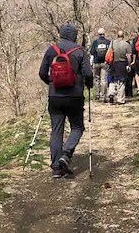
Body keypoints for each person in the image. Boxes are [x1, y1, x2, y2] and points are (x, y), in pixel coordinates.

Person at [39, 23, 93, 179]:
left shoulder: (52, 50)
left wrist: (51, 83)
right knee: (77, 127)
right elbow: (88, 74)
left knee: (56, 130)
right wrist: (88, 85)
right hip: (75, 96)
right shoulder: (80, 52)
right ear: (74, 36)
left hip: (55, 96)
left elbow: (42, 72)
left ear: (61, 34)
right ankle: (66, 153)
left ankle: (56, 168)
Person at [107, 30, 132, 105]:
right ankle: (120, 99)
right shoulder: (126, 44)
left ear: (117, 35)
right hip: (122, 64)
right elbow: (129, 56)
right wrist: (129, 64)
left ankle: (111, 92)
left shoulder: (112, 43)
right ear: (123, 36)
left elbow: (109, 53)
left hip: (113, 63)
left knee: (112, 80)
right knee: (121, 82)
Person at [89, 28, 111, 102]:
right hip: (105, 63)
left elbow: (92, 53)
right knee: (104, 79)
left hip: (96, 63)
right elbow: (111, 53)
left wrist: (91, 63)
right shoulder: (108, 42)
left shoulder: (95, 42)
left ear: (98, 34)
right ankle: (103, 95)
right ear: (104, 34)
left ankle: (97, 95)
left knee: (96, 79)